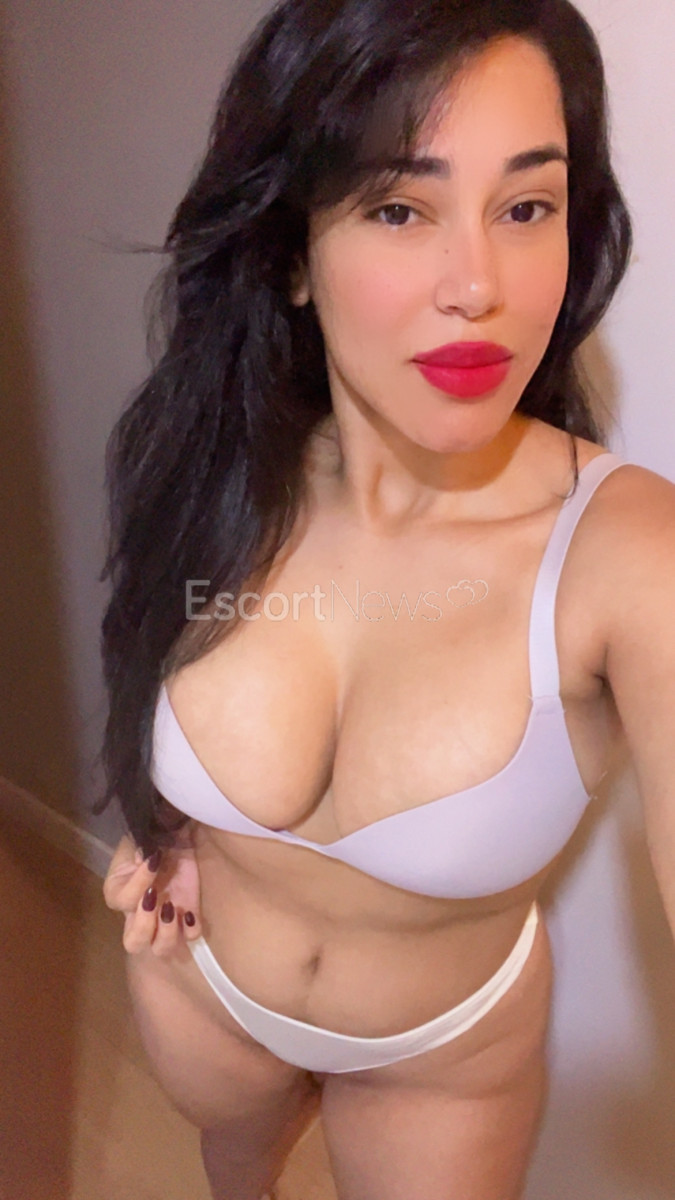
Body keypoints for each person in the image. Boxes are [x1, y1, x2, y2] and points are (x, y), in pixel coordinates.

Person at [99, 1, 675, 1197]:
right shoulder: (218, 459)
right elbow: (144, 636)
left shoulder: (627, 557)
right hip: (201, 987)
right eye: (400, 208)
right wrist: (166, 827)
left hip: (439, 1063)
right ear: (291, 254)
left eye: (527, 207)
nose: (479, 284)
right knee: (234, 1177)